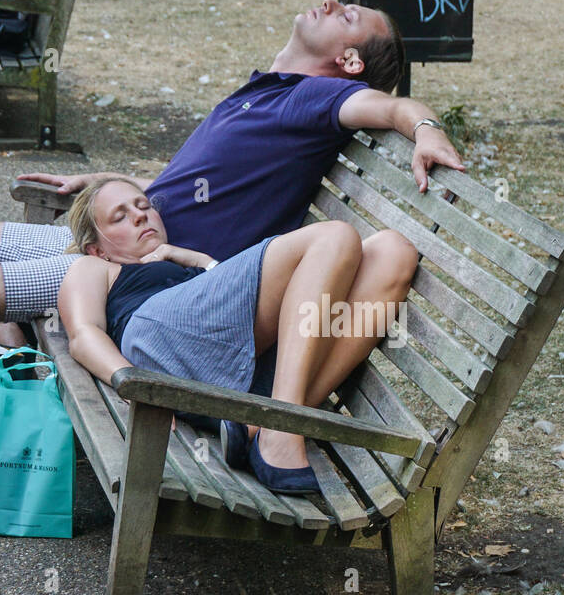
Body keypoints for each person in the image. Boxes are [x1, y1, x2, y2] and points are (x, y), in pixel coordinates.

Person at [0, 0, 463, 469]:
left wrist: (424, 126)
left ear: (351, 59)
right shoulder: (271, 89)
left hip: (150, 276)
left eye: (351, 15)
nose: (334, 1)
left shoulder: (317, 101)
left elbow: (391, 110)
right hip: (126, 239)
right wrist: (110, 188)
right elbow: (198, 177)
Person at [58, 178, 376, 493]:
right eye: (120, 216)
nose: (141, 215)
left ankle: (258, 426)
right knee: (334, 235)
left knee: (392, 250)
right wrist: (129, 383)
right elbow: (84, 334)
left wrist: (196, 259)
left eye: (143, 206)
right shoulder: (93, 268)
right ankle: (284, 426)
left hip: (249, 374)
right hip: (157, 341)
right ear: (97, 250)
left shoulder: (190, 265)